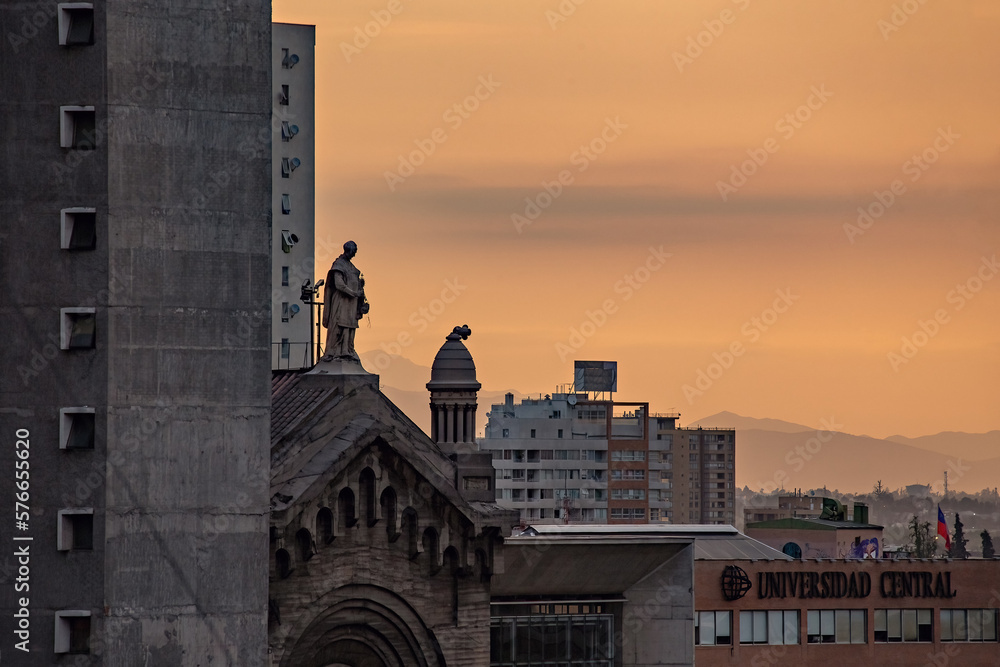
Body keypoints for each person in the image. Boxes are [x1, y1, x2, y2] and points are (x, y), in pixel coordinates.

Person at [322, 241, 367, 361]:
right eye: (354, 251)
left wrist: (361, 298)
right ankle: (336, 351)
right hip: (341, 301)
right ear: (349, 250)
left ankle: (347, 350)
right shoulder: (339, 264)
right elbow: (339, 284)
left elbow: (356, 284)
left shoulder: (351, 266)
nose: (355, 254)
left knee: (350, 326)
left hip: (351, 304)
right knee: (339, 325)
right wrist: (353, 293)